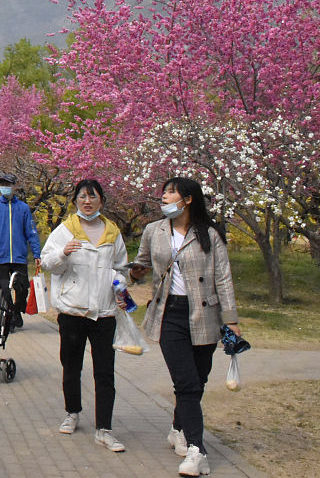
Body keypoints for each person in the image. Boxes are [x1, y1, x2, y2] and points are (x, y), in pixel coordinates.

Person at [130, 177, 241, 477]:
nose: (164, 197)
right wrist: (135, 273)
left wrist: (231, 320)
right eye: (163, 193)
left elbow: (223, 278)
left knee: (198, 380)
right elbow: (141, 265)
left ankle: (179, 427)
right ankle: (197, 450)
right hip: (169, 314)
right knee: (186, 383)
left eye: (171, 192)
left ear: (188, 199)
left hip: (204, 314)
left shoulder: (210, 234)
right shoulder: (154, 231)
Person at [40, 179, 130, 452]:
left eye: (92, 197)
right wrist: (62, 253)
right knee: (71, 366)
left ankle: (104, 429)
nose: (87, 202)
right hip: (73, 311)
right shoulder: (65, 230)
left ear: (101, 200)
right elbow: (47, 263)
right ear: (75, 201)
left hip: (104, 313)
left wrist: (120, 287)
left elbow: (121, 268)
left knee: (105, 372)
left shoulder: (112, 232)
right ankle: (72, 412)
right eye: (82, 197)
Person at [0, 172, 41, 329]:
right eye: (2, 185)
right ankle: (9, 316)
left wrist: (37, 253)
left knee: (22, 288)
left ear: (15, 187)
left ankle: (17, 311)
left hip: (19, 256)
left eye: (8, 184)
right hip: (0, 257)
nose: (5, 187)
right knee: (3, 290)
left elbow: (31, 232)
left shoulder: (23, 208)